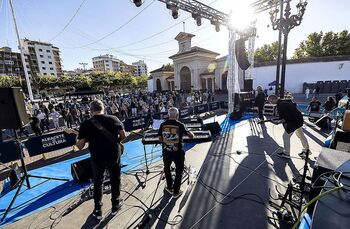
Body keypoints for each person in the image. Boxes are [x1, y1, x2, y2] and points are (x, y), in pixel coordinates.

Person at [76, 100, 126, 220]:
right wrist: (115, 141)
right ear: (103, 108)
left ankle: (98, 210)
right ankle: (115, 205)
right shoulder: (114, 119)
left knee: (98, 182)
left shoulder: (86, 124)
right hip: (114, 155)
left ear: (91, 111)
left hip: (97, 157)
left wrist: (76, 138)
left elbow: (79, 146)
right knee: (115, 179)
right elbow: (123, 136)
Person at [158, 107, 194, 198]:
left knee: (167, 169)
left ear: (168, 115)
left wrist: (168, 142)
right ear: (177, 115)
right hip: (177, 152)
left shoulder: (163, 124)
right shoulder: (180, 125)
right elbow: (191, 137)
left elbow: (160, 139)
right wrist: (190, 132)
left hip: (166, 151)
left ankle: (169, 187)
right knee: (179, 171)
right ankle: (176, 192)